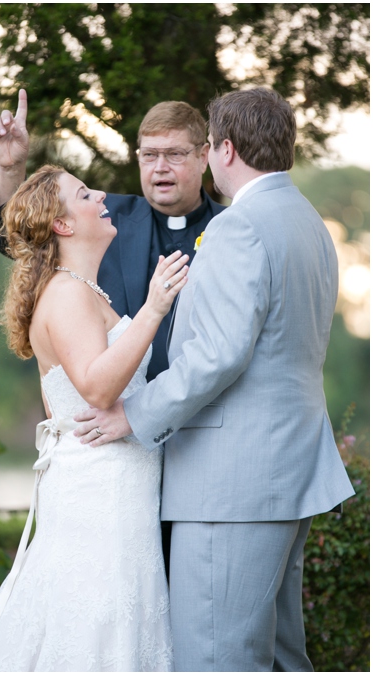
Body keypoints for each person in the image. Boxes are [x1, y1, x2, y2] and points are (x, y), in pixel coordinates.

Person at [74, 88, 355, 671]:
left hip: (232, 485)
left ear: (223, 150)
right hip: (285, 471)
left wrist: (134, 413)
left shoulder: (240, 226)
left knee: (214, 657)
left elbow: (219, 356)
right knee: (278, 657)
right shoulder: (307, 221)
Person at [0, 165, 189, 671]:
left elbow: (59, 401)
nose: (102, 194)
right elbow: (97, 387)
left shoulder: (83, 290)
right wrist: (153, 309)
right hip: (98, 492)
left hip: (111, 483)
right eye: (85, 193)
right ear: (62, 224)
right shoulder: (65, 293)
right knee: (94, 620)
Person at [0, 89, 225, 381]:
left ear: (203, 158)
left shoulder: (232, 228)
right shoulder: (102, 217)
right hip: (117, 410)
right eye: (149, 155)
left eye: (174, 154)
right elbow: (21, 239)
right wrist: (11, 169)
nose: (160, 167)